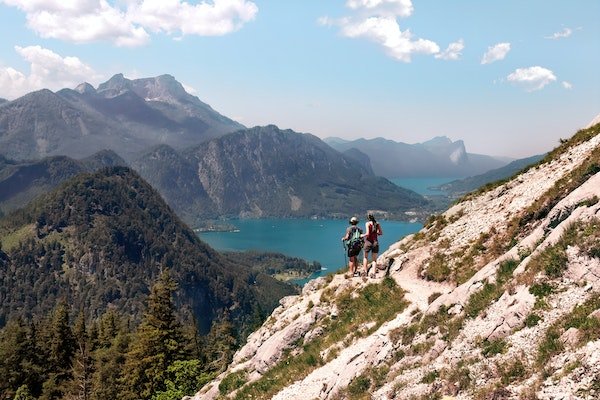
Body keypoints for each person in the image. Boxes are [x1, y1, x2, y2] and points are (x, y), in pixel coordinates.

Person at [363, 213, 383, 278]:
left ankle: (365, 272)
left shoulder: (367, 224)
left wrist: (362, 235)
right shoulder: (377, 223)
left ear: (368, 218)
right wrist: (376, 233)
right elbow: (381, 233)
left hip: (368, 242)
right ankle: (373, 274)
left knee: (365, 257)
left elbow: (367, 233)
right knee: (374, 260)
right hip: (375, 242)